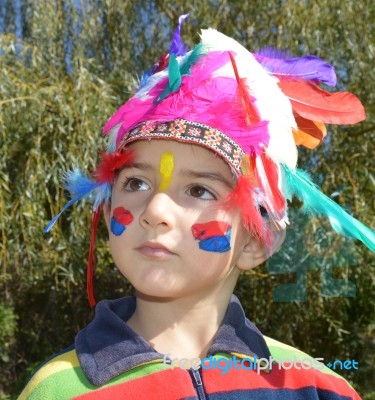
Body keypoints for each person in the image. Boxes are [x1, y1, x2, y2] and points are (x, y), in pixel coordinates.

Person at [19, 16, 374, 400]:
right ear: (107, 213)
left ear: (258, 240)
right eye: (136, 183)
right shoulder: (56, 390)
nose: (155, 210)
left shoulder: (317, 388)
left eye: (200, 190)